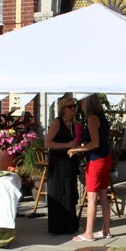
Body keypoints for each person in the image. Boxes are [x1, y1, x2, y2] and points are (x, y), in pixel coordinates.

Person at [67, 94, 111, 241]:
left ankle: (89, 233)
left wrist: (77, 149)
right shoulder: (102, 117)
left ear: (89, 103)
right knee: (104, 196)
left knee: (92, 197)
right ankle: (106, 230)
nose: (81, 105)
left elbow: (94, 143)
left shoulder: (92, 118)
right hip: (106, 158)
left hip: (96, 160)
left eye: (83, 102)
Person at [44, 96, 80, 234]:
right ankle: (57, 227)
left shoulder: (74, 124)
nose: (73, 109)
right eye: (70, 106)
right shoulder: (57, 123)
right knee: (58, 194)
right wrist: (66, 145)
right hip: (58, 163)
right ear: (63, 109)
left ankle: (70, 225)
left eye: (74, 106)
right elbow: (47, 143)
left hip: (70, 162)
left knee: (70, 194)